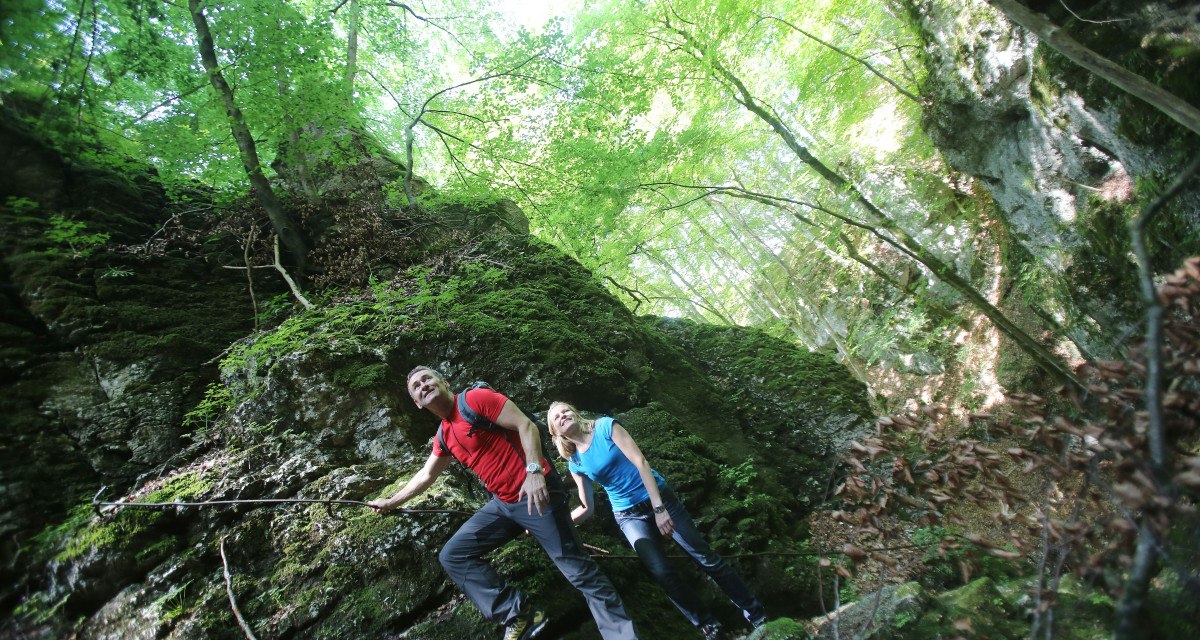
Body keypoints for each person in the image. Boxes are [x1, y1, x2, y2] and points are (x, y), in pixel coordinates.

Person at [369, 367, 638, 640]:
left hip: (538, 495)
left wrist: (534, 472)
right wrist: (391, 501)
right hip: (503, 505)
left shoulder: (475, 400)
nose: (423, 385)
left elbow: (526, 425)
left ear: (444, 382)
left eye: (427, 378)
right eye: (416, 386)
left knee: (580, 573)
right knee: (453, 555)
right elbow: (427, 475)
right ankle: (517, 613)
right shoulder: (444, 435)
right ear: (417, 402)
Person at [546, 401, 768, 640]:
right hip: (627, 515)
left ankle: (756, 615)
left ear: (576, 413)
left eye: (566, 411)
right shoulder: (576, 463)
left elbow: (640, 462)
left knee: (704, 557)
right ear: (556, 432)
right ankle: (709, 626)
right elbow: (587, 508)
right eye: (557, 417)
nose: (563, 416)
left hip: (659, 499)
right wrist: (550, 526)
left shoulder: (605, 427)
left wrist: (659, 508)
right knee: (661, 572)